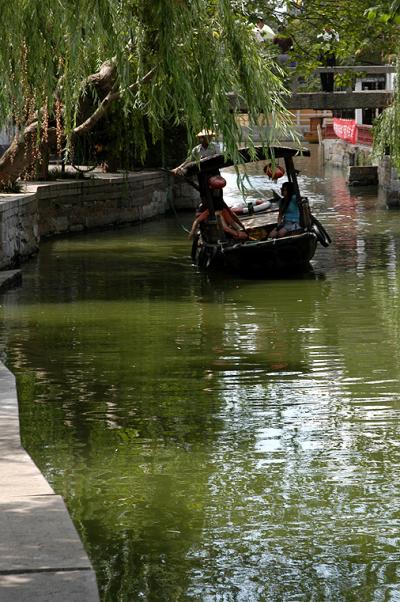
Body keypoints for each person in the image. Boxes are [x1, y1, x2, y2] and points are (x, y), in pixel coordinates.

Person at [317, 26, 339, 92]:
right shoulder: (321, 34)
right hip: (322, 54)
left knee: (330, 73)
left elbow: (337, 42)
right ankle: (324, 89)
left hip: (331, 53)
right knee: (322, 73)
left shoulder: (334, 33)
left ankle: (330, 89)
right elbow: (318, 40)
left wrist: (333, 33)